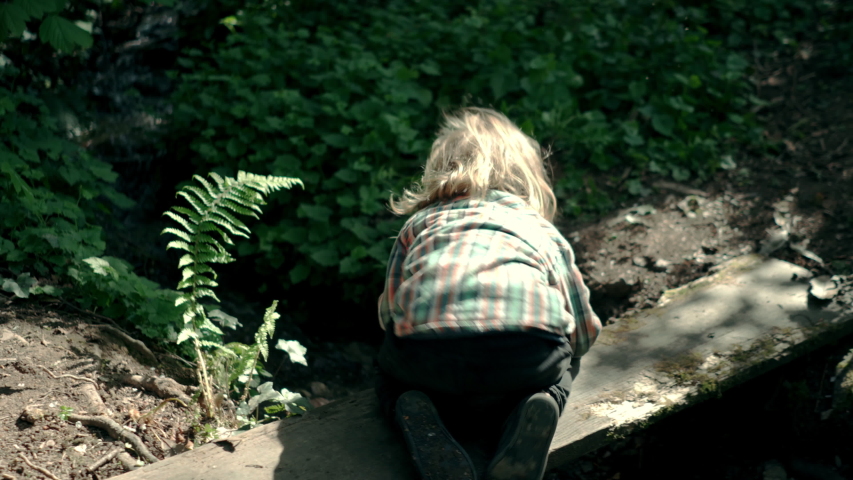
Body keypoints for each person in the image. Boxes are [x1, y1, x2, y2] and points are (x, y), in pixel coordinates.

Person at [375, 107, 601, 480]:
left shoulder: (419, 224)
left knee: (390, 375)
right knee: (558, 370)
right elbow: (582, 331)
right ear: (527, 175)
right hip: (523, 359)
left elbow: (389, 317)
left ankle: (418, 418)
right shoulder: (540, 230)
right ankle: (536, 406)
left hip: (432, 361)